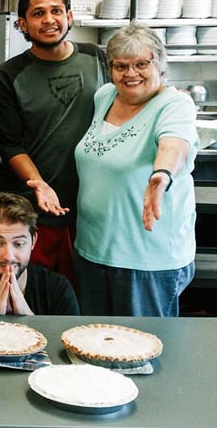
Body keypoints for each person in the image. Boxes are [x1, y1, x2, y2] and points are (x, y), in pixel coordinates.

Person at [0, 0, 107, 283]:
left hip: (90, 209)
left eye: (56, 10)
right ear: (23, 24)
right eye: (38, 13)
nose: (49, 20)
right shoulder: (7, 76)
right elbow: (10, 144)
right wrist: (39, 184)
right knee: (32, 302)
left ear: (69, 16)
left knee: (81, 303)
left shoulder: (97, 59)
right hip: (30, 212)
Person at [74, 23, 198, 317]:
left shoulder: (174, 105)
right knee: (94, 346)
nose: (130, 74)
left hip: (146, 260)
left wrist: (161, 175)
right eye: (121, 66)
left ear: (160, 64)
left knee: (141, 350)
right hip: (93, 250)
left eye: (142, 64)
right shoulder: (104, 96)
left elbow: (174, 144)